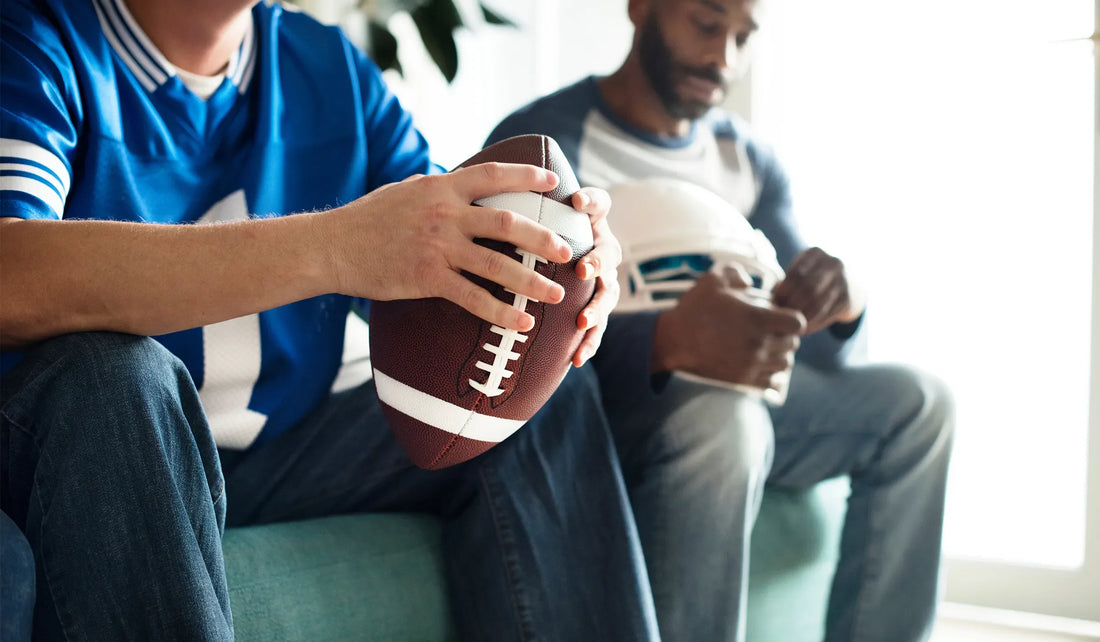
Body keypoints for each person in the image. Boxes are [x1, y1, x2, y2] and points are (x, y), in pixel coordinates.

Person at [0, 0, 662, 639]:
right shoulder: (33, 36)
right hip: (83, 453)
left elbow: (441, 251)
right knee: (114, 375)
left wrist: (564, 266)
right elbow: (10, 277)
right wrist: (338, 246)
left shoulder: (328, 65)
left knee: (534, 388)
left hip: (276, 453)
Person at [488, 0, 956, 640]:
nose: (724, 59)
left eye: (744, 36)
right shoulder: (546, 143)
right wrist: (666, 342)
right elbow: (510, 339)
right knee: (724, 420)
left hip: (743, 394)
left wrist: (847, 304)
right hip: (617, 408)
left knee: (922, 404)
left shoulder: (747, 159)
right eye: (707, 25)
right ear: (641, 7)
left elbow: (817, 348)